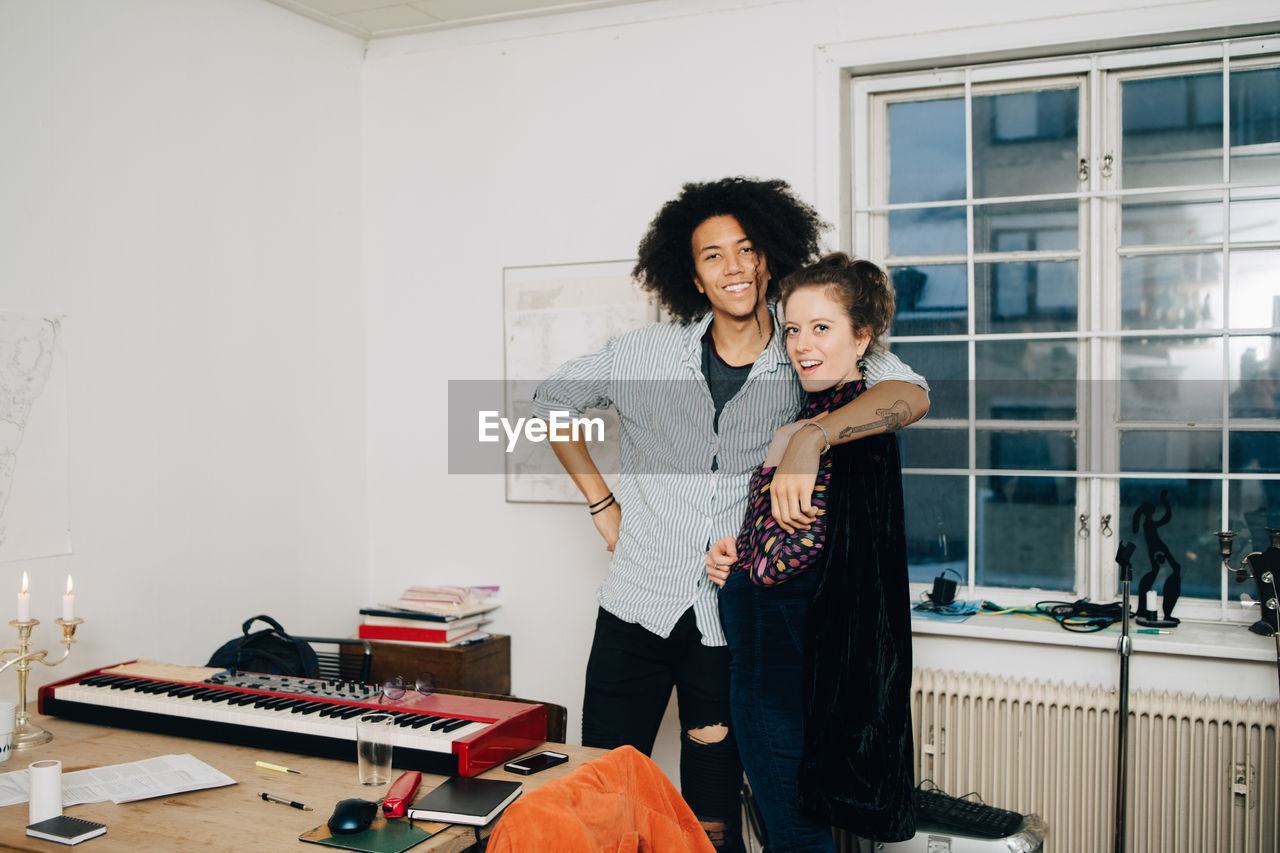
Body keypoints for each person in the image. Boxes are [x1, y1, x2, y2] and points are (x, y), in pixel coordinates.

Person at [531, 177, 928, 851]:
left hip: (726, 620)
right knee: (603, 794)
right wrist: (602, 504)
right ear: (691, 273)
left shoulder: (807, 351)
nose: (734, 266)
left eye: (746, 249)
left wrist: (813, 434)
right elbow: (546, 402)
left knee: (711, 816)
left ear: (770, 257)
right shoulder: (644, 354)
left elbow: (910, 393)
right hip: (634, 604)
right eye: (714, 254)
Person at [707, 253, 917, 849]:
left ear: (863, 335)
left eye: (821, 328)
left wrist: (811, 439)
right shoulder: (802, 418)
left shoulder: (854, 423)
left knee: (794, 832)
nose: (802, 344)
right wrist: (737, 555)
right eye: (794, 329)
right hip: (756, 651)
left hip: (784, 663)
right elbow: (792, 535)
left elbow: (837, 566)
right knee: (784, 823)